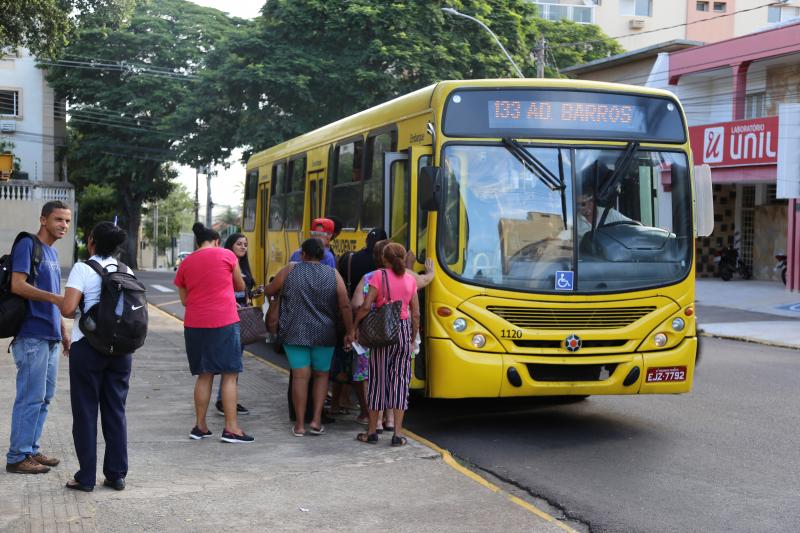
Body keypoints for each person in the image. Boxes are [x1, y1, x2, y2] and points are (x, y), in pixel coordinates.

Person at [59, 222, 132, 492]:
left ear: (91, 242)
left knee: (86, 412)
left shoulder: (83, 268)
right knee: (115, 411)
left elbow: (68, 309)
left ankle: (86, 477)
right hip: (121, 351)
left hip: (88, 348)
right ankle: (116, 475)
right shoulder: (126, 270)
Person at [6, 201, 71, 475]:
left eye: (67, 221)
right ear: (43, 220)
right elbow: (17, 284)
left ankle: (31, 448)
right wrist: (55, 298)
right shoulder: (27, 245)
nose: (63, 226)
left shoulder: (52, 254)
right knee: (30, 397)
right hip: (31, 334)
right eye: (58, 220)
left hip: (50, 335)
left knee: (44, 397)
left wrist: (63, 330)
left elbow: (53, 300)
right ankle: (17, 456)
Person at [265, 238, 354, 437]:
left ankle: (299, 425)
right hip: (325, 333)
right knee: (322, 376)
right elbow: (345, 305)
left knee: (300, 376)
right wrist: (349, 331)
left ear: (303, 254)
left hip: (294, 332)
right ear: (322, 256)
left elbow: (270, 290)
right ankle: (315, 420)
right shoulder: (333, 274)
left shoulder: (290, 270)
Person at [174, 223, 253, 443]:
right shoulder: (227, 255)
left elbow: (184, 300)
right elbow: (239, 286)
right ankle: (231, 428)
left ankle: (200, 426)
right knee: (229, 374)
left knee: (204, 374)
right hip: (224, 322)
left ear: (197, 243)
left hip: (194, 324)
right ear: (217, 241)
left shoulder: (185, 263)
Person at [349, 239, 434, 431]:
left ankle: (373, 429)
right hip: (403, 332)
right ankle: (396, 431)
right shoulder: (410, 279)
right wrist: (412, 339)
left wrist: (354, 327)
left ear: (383, 259)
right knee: (400, 382)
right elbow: (416, 313)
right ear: (403, 258)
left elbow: (363, 307)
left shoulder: (377, 276)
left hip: (381, 334)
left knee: (377, 380)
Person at [213, 233, 262, 416]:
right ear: (229, 245)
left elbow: (244, 292)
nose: (243, 247)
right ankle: (223, 400)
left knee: (235, 360)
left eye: (245, 244)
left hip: (242, 316)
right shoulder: (225, 263)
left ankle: (226, 399)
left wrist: (254, 293)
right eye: (239, 244)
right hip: (227, 316)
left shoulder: (244, 266)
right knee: (229, 361)